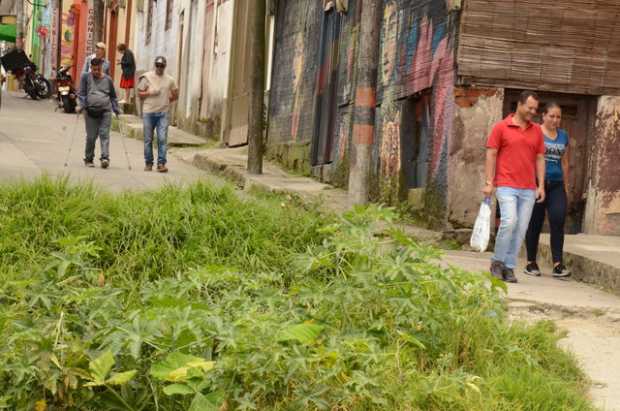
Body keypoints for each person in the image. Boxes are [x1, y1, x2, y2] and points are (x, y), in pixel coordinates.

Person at [483, 90, 546, 283]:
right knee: (509, 221)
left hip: (528, 188)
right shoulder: (501, 127)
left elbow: (540, 158)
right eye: (530, 107)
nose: (533, 112)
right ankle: (497, 263)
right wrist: (489, 182)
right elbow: (491, 154)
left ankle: (509, 267)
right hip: (506, 185)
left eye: (535, 109)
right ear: (519, 104)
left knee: (520, 228)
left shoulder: (536, 130)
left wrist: (541, 185)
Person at [524, 103, 571, 278]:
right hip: (536, 183)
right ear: (543, 116)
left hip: (557, 184)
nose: (555, 120)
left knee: (558, 220)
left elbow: (565, 162)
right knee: (535, 222)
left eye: (558, 117)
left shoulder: (563, 135)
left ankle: (558, 264)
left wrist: (566, 186)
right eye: (551, 116)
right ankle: (531, 262)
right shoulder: (534, 131)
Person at [137, 56, 178, 173]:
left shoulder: (170, 79)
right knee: (148, 139)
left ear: (165, 67)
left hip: (163, 113)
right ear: (155, 65)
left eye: (162, 66)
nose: (159, 68)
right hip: (148, 112)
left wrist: (167, 100)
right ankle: (148, 163)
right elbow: (139, 93)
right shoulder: (147, 77)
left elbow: (175, 93)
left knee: (162, 138)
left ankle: (161, 163)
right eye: (158, 65)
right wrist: (149, 92)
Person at [77, 58, 120, 168]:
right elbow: (81, 93)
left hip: (105, 110)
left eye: (98, 69)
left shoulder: (108, 79)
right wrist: (81, 105)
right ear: (90, 67)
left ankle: (105, 158)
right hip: (90, 110)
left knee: (104, 134)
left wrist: (116, 109)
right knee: (91, 137)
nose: (96, 71)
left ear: (102, 68)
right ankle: (89, 158)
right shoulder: (85, 77)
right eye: (94, 69)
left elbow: (113, 96)